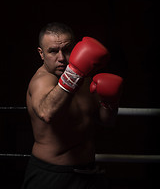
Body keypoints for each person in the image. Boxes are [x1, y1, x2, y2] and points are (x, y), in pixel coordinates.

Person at [22, 22, 123, 189]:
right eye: (53, 51)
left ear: (76, 49)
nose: (61, 58)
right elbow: (46, 111)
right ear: (41, 53)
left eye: (67, 49)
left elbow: (106, 121)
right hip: (52, 176)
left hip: (88, 174)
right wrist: (74, 74)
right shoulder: (41, 81)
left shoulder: (85, 79)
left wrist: (110, 101)